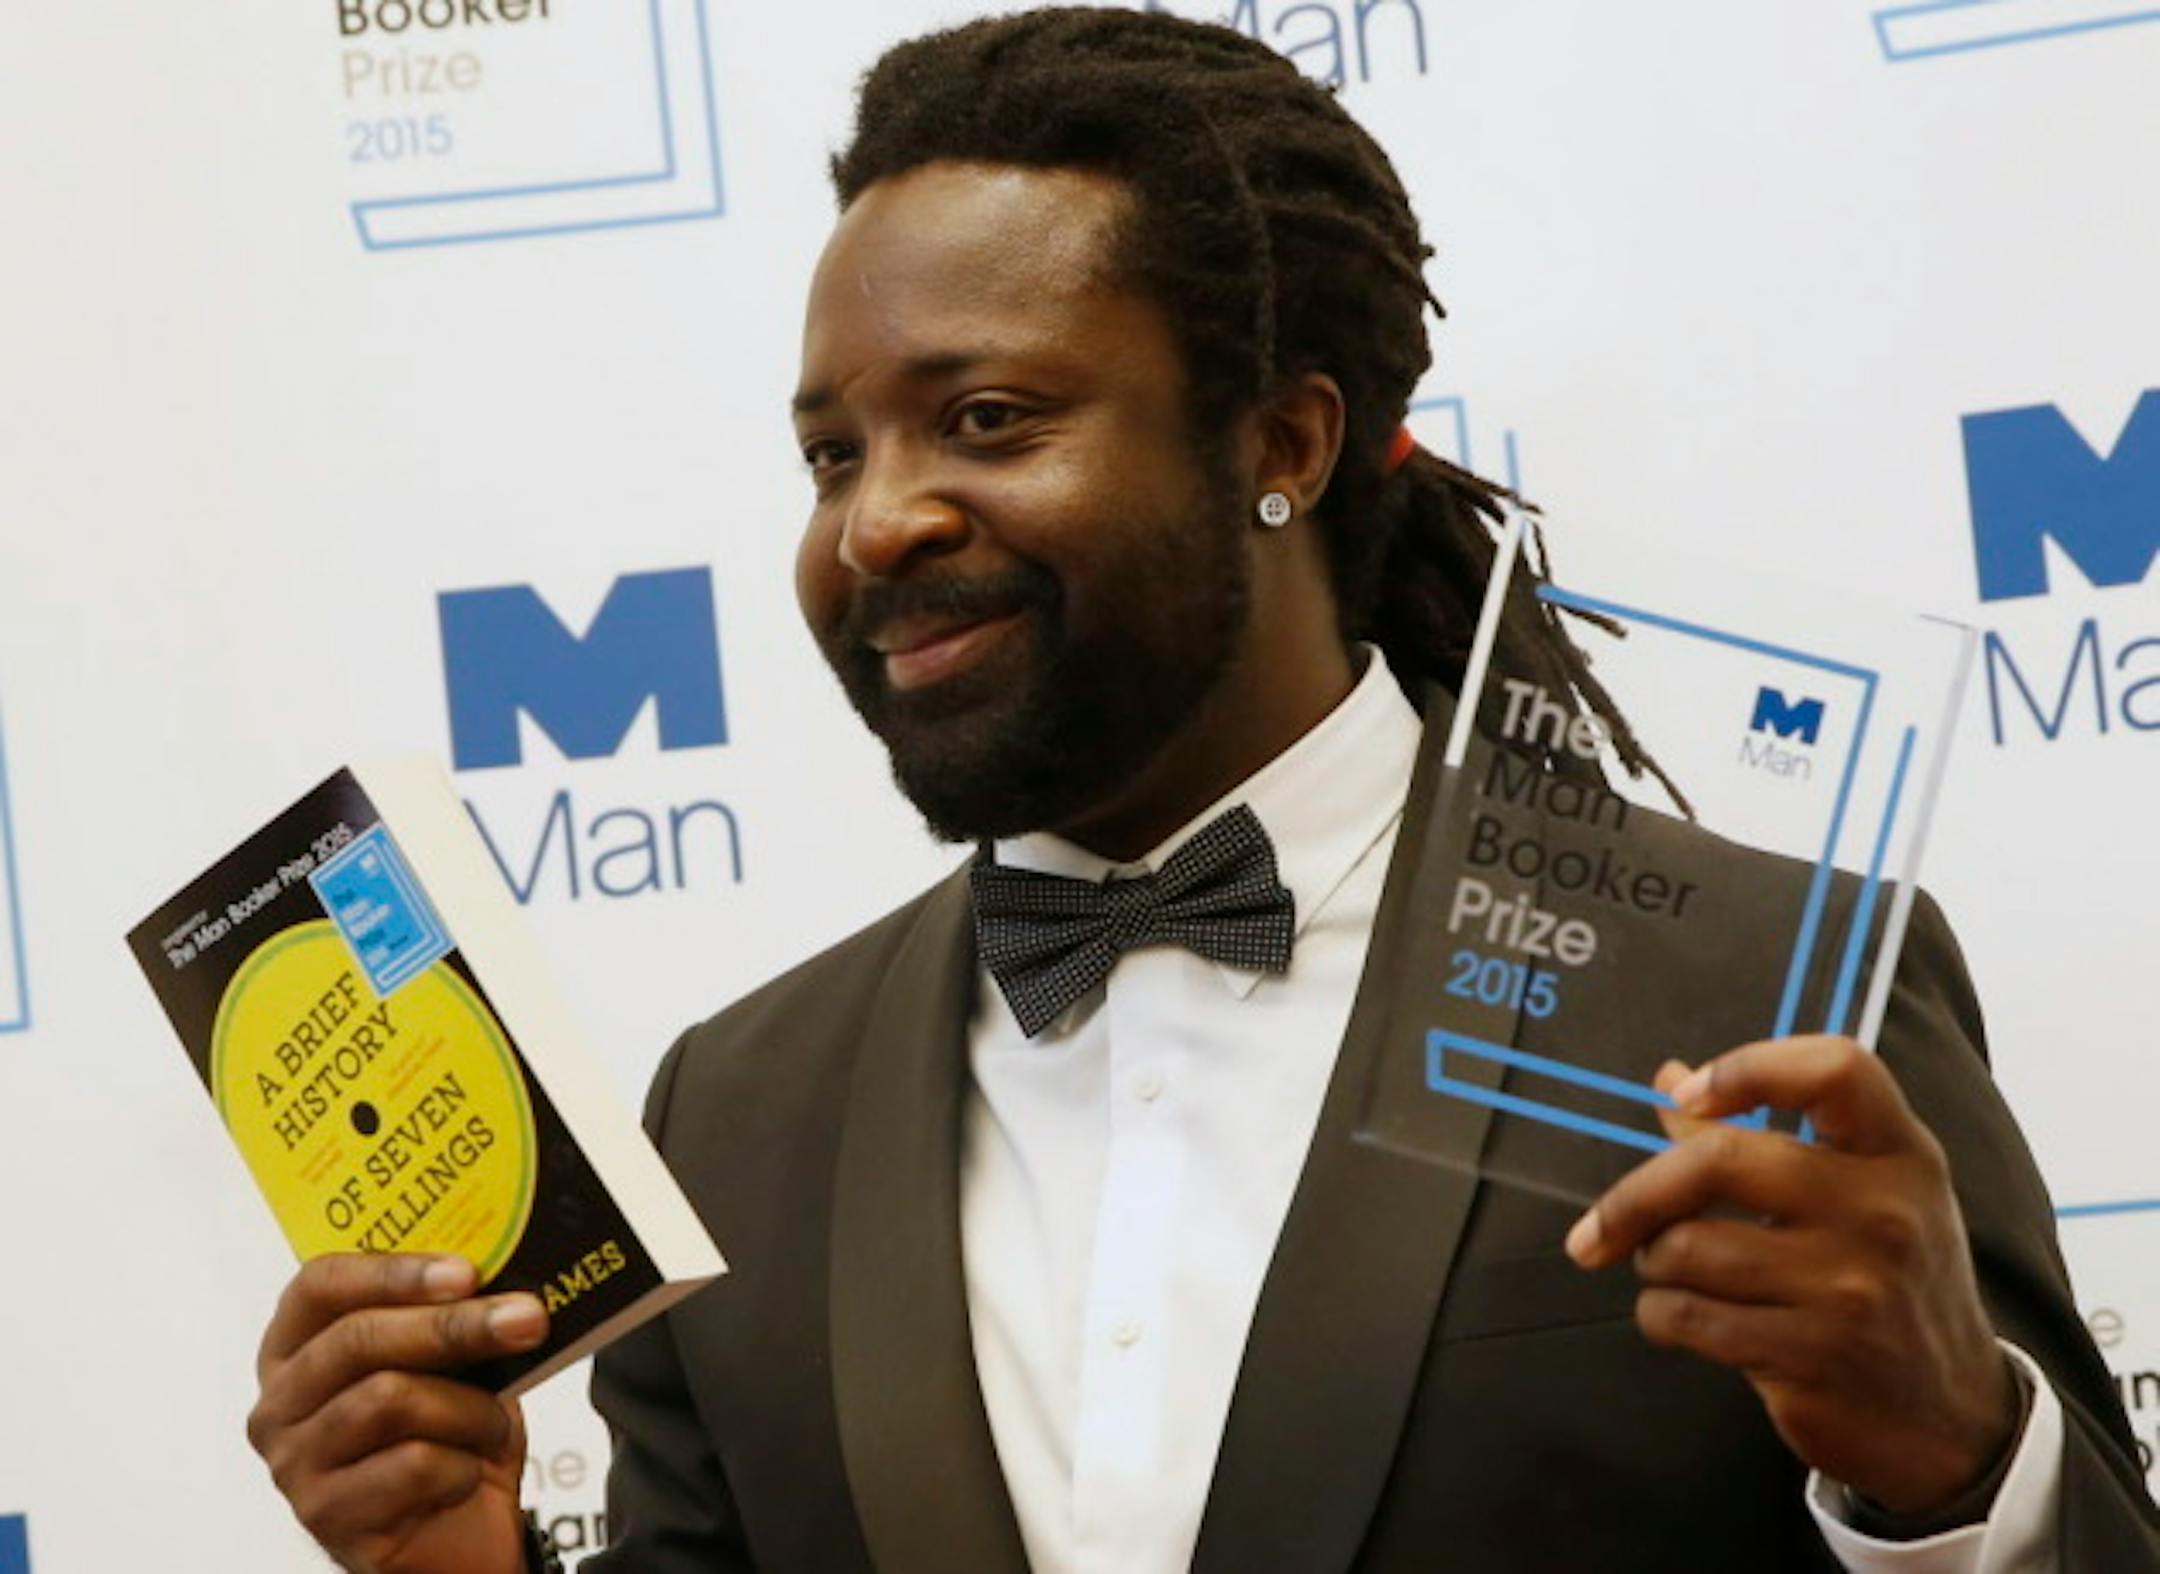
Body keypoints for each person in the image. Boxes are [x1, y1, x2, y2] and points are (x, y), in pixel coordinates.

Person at [243, 9, 2158, 1572]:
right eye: (832, 452)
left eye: (986, 419)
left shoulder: (1755, 991)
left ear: (1286, 440)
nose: (879, 518)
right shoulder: (736, 1115)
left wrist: (1953, 1467)